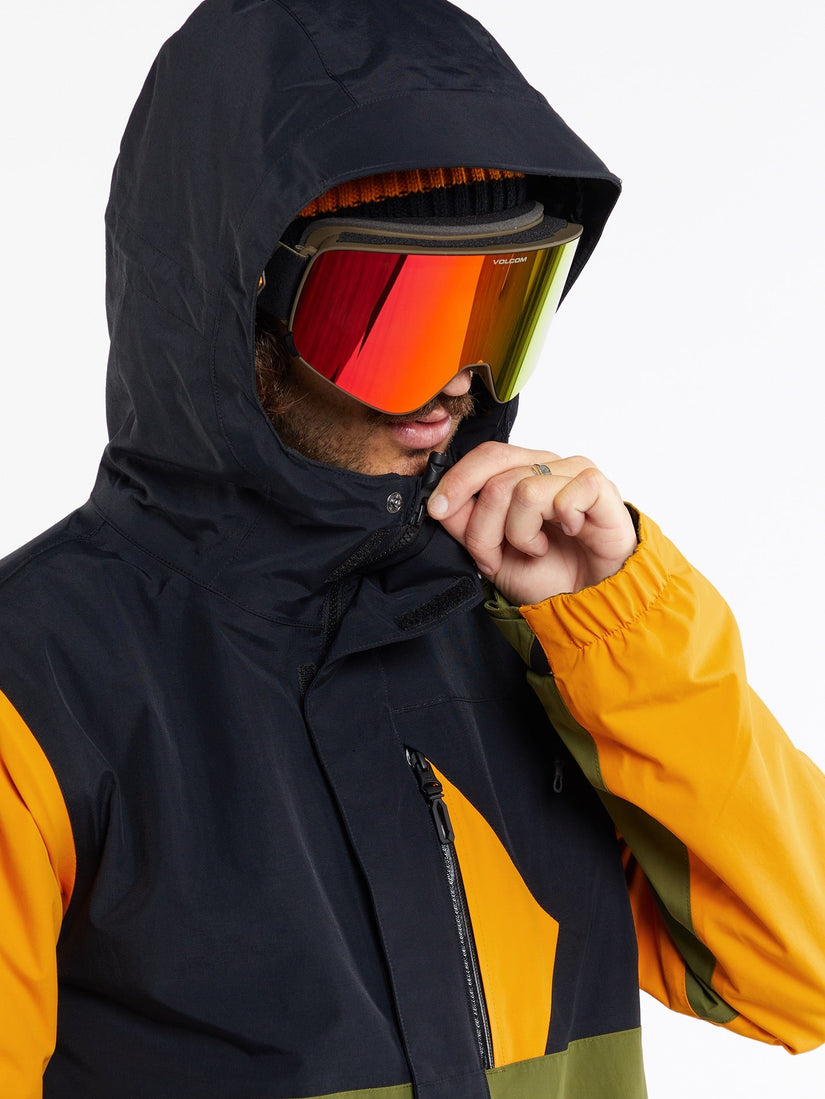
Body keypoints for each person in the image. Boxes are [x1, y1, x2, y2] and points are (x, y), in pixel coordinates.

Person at [1, 1, 823, 1097]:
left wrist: (618, 623)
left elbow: (801, 973)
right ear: (231, 303)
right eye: (392, 322)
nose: (453, 388)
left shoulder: (540, 638)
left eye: (496, 312)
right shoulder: (41, 684)